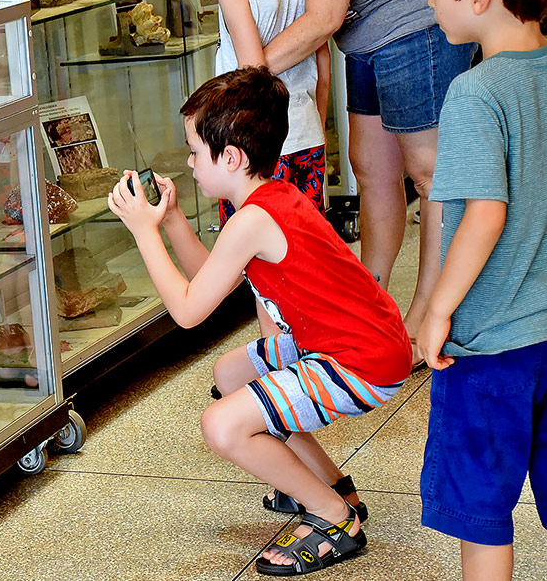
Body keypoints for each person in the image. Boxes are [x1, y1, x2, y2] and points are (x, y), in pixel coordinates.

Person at [107, 67, 411, 576]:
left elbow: (186, 312)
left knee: (221, 426)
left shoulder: (253, 219)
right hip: (358, 340)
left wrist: (143, 233)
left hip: (360, 360)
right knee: (229, 374)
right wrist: (174, 221)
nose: (188, 163)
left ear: (231, 157)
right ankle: (333, 486)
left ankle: (335, 518)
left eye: (194, 152)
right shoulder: (269, 198)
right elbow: (209, 281)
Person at [262, 0, 475, 361]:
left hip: (412, 19)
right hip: (366, 32)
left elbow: (325, 13)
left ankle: (429, 314)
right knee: (371, 169)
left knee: (429, 173)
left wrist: (243, 75)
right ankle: (368, 304)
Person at [414, 0, 547, 578]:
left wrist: (438, 309)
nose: (430, 2)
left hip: (489, 346)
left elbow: (483, 215)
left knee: (482, 510)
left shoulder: (476, 93)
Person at [200, 0, 329, 341]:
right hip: (304, 135)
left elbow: (252, 73)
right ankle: (311, 348)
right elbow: (321, 56)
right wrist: (315, 121)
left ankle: (278, 363)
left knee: (263, 266)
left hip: (255, 150)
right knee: (305, 257)